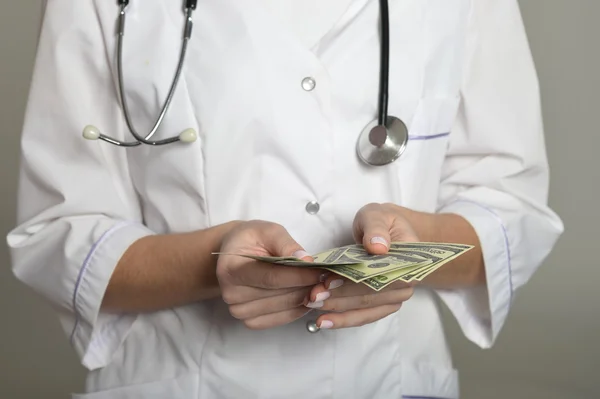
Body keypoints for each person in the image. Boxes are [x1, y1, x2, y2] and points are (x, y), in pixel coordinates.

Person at [7, 0, 564, 398]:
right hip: (181, 378)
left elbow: (508, 209)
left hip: (389, 377)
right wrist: (212, 264)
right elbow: (59, 231)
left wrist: (411, 253)